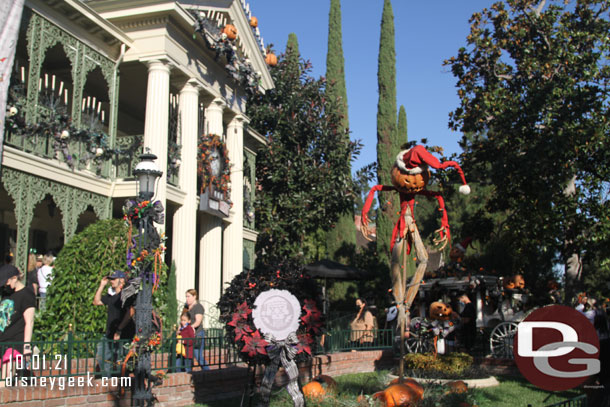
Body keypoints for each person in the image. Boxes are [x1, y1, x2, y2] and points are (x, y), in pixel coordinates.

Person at [93, 270, 134, 377]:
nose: (111, 281)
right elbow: (96, 302)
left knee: (121, 361)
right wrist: (102, 285)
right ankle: (107, 380)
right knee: (101, 356)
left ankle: (121, 384)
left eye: (114, 279)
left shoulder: (125, 295)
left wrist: (119, 329)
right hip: (109, 333)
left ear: (121, 280)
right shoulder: (111, 296)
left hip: (123, 334)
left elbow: (130, 312)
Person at [0, 264, 36, 381]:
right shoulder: (7, 292)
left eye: (7, 281)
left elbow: (29, 322)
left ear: (15, 278)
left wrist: (26, 347)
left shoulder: (27, 295)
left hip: (15, 343)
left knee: (5, 380)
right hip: (2, 340)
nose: (5, 285)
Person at [184, 289, 209, 370]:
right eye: (186, 296)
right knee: (187, 356)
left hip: (197, 334)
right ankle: (187, 373)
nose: (187, 298)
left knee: (198, 355)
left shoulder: (198, 307)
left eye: (189, 296)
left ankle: (208, 372)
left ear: (194, 296)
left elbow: (198, 321)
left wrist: (190, 328)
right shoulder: (186, 307)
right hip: (187, 335)